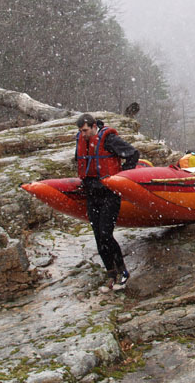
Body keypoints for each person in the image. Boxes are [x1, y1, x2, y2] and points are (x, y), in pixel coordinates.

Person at [75, 113, 139, 293]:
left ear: (94, 126)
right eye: (81, 131)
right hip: (91, 193)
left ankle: (123, 271)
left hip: (109, 193)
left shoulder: (109, 139)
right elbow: (80, 160)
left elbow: (133, 153)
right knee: (97, 236)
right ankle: (111, 274)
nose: (83, 134)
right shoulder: (81, 139)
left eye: (86, 130)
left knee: (105, 233)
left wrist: (122, 176)